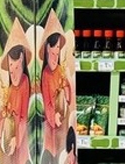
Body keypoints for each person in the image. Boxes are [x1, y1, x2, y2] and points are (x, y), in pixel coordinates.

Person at [0, 19, 32, 164]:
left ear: (21, 60)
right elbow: (3, 113)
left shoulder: (25, 83)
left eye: (16, 68)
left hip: (19, 138)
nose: (14, 74)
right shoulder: (9, 89)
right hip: (7, 137)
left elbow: (23, 117)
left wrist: (17, 136)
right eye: (11, 69)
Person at [39, 10, 73, 164]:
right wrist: (53, 116)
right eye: (53, 54)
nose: (55, 57)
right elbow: (47, 101)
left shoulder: (60, 70)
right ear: (47, 49)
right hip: (50, 123)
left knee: (62, 150)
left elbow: (67, 90)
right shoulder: (45, 74)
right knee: (51, 151)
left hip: (63, 119)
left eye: (57, 53)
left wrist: (66, 91)